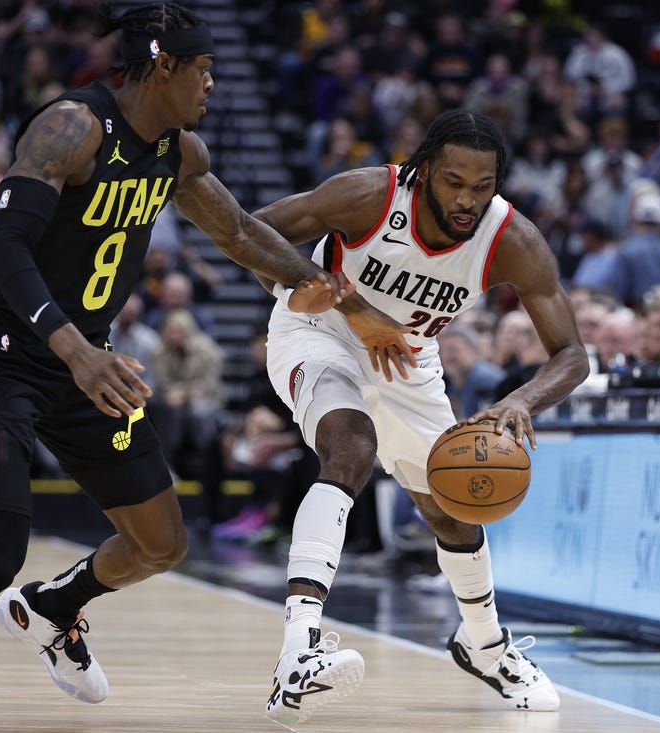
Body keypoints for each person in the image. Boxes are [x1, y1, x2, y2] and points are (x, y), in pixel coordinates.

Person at [0, 4, 353, 730]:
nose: (211, 87)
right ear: (163, 67)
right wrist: (75, 349)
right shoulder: (72, 127)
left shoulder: (176, 152)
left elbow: (236, 230)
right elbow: (4, 249)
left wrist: (316, 284)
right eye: (203, 71)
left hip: (84, 362)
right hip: (1, 354)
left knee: (162, 542)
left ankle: (54, 606)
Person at [250, 109, 589, 723]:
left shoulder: (512, 240)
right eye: (454, 181)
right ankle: (298, 651)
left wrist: (519, 400)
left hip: (407, 357)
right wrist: (326, 293)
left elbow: (573, 355)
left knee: (453, 503)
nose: (467, 199)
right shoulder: (370, 195)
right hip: (316, 331)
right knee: (350, 447)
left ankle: (483, 646)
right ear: (426, 169)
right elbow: (252, 232)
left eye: (482, 186)